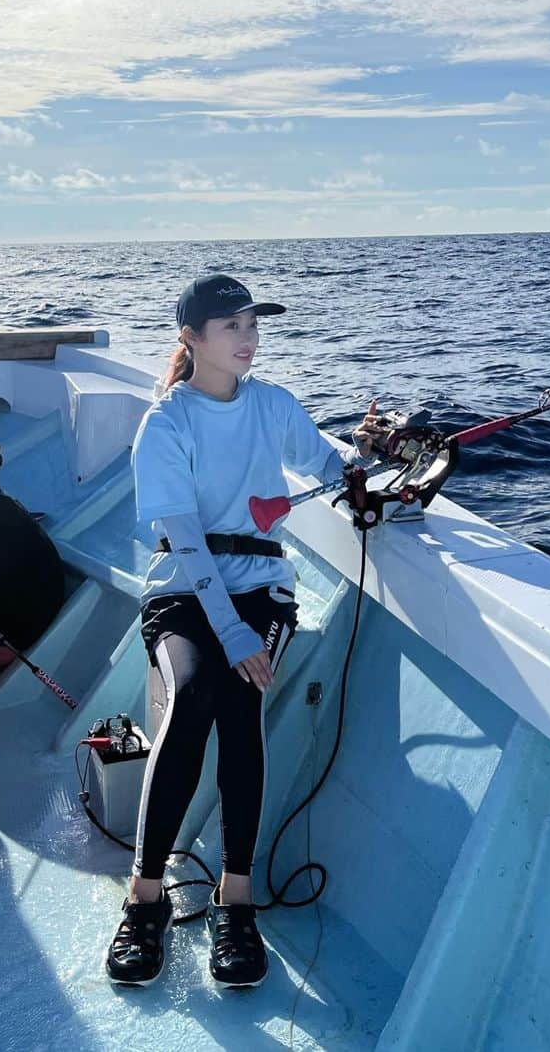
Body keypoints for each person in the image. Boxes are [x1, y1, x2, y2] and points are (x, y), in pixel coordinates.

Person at [105, 272, 382, 989]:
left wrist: (368, 454)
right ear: (191, 339)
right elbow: (185, 541)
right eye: (233, 327)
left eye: (254, 325)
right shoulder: (166, 424)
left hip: (262, 591)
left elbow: (329, 465)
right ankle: (144, 899)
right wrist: (228, 631)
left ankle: (237, 898)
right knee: (194, 692)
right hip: (183, 595)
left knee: (239, 701)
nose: (249, 338)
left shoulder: (274, 405)